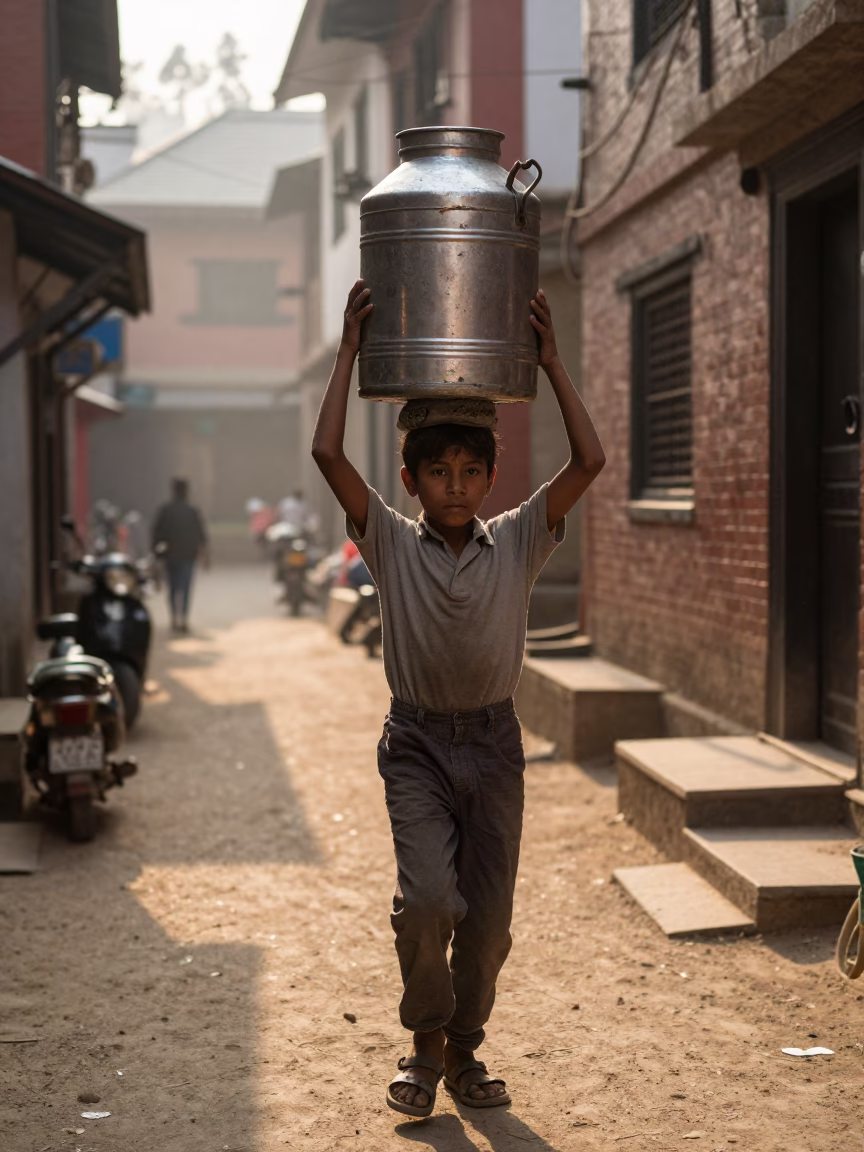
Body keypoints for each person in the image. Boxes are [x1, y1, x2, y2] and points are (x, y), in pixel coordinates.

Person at [311, 280, 605, 1119]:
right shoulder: (390, 545)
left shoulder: (516, 539)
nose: (455, 485)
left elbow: (590, 463)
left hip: (496, 743)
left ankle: (467, 1051)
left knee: (489, 923)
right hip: (417, 745)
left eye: (470, 471)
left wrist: (550, 362)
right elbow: (329, 456)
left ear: (489, 476)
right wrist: (346, 356)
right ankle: (426, 1044)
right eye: (437, 472)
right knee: (430, 901)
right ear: (410, 480)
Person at [151, 478, 209, 633]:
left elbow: (156, 534)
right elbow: (201, 536)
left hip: (170, 556)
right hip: (187, 556)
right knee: (185, 589)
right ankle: (182, 618)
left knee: (173, 588)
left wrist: (156, 555)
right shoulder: (192, 511)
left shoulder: (166, 510)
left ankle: (174, 618)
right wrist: (205, 556)